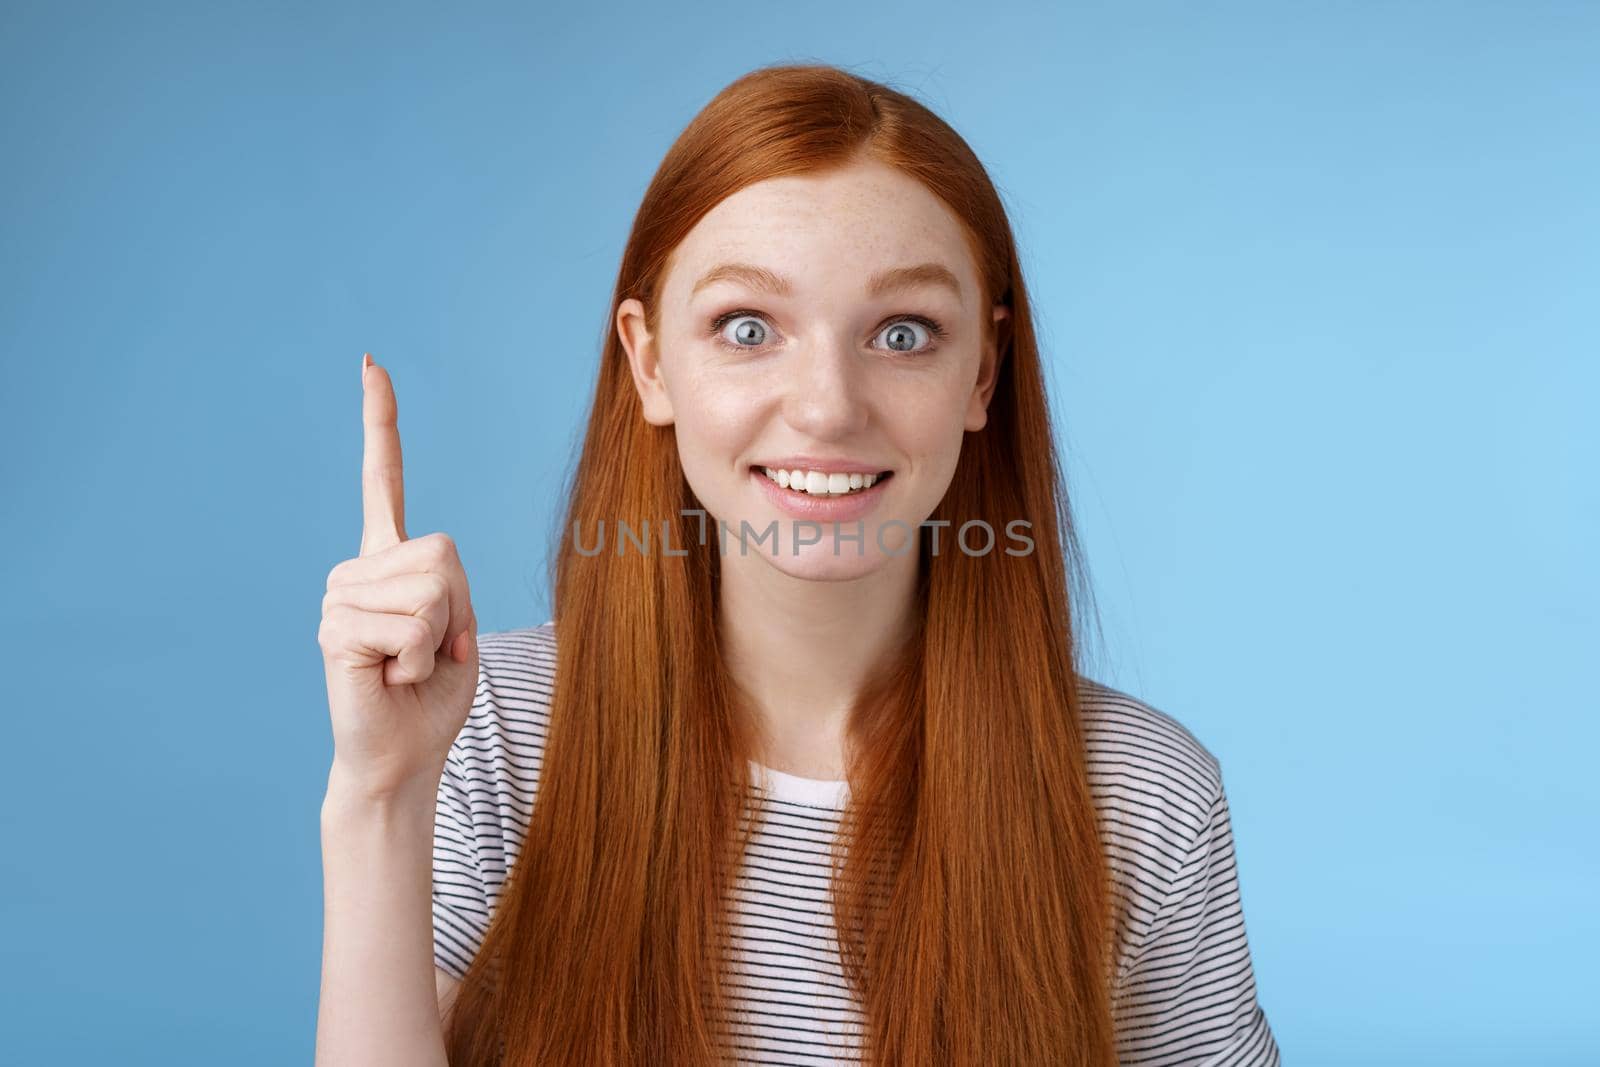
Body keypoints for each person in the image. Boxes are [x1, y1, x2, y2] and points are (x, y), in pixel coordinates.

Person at [316, 62, 1280, 1066]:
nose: (826, 405)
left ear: (980, 373)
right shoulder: (492, 731)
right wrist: (378, 794)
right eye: (747, 327)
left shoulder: (1141, 794)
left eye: (903, 333)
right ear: (651, 364)